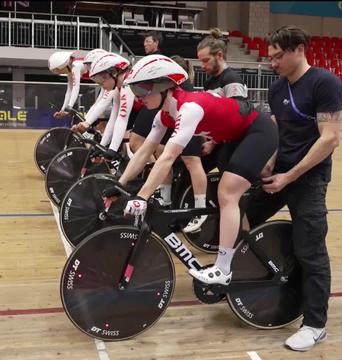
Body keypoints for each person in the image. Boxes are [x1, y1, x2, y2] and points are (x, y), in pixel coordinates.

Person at [108, 54, 277, 290]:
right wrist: (121, 182)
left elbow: (167, 157)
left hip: (257, 131)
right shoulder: (164, 114)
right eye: (136, 91)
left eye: (143, 91)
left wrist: (142, 197)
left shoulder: (189, 108)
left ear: (164, 87)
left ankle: (223, 269)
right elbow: (145, 150)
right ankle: (244, 242)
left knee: (227, 193)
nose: (139, 98)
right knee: (227, 195)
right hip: (231, 137)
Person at [246, 25, 342, 352]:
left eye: (277, 57)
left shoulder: (323, 83)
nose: (271, 63)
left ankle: (315, 325)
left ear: (298, 49)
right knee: (242, 216)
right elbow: (282, 133)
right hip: (281, 174)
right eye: (270, 57)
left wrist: (291, 175)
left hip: (309, 179)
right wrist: (271, 161)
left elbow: (330, 138)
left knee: (310, 250)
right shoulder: (276, 89)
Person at [178, 28, 252, 233]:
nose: (203, 66)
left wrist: (214, 141)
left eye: (206, 60)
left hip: (232, 142)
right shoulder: (211, 80)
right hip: (216, 141)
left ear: (219, 56)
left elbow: (236, 116)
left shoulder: (232, 79)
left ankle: (242, 233)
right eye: (200, 61)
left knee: (230, 192)